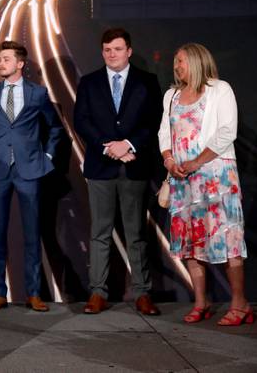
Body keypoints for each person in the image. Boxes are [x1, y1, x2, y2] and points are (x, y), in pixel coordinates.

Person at [158, 43, 252, 325]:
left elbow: (227, 131)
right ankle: (201, 302)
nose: (177, 66)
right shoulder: (172, 95)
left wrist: (197, 161)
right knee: (189, 242)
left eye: (182, 61)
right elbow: (165, 131)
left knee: (227, 239)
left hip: (215, 177)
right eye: (175, 62)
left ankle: (239, 302)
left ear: (198, 62)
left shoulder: (219, 89)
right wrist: (168, 159)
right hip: (182, 179)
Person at [73, 28, 162, 316]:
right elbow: (81, 121)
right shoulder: (89, 82)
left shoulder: (147, 82)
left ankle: (142, 293)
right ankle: (98, 292)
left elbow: (154, 121)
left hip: (134, 166)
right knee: (100, 232)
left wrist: (129, 144)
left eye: (118, 49)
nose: (113, 54)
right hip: (101, 168)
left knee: (136, 233)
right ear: (102, 52)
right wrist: (107, 147)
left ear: (129, 51)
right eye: (108, 50)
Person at [0, 41, 63, 312]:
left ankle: (33, 293)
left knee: (32, 233)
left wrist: (46, 157)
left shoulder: (37, 94)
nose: (1, 63)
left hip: (30, 170)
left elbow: (55, 128)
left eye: (6, 59)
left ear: (20, 64)